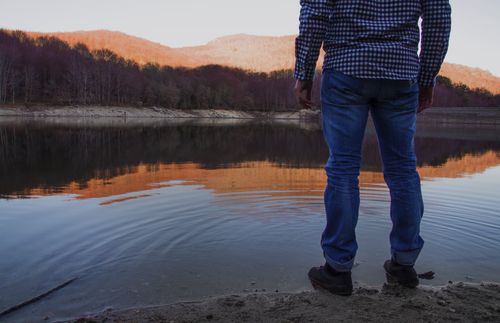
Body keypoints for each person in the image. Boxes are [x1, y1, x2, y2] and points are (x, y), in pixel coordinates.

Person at [294, 0, 451, 296]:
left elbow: (314, 13)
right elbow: (438, 19)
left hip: (345, 69)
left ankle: (337, 270)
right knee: (403, 169)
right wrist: (427, 77)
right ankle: (403, 265)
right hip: (400, 72)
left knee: (342, 170)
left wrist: (303, 72)